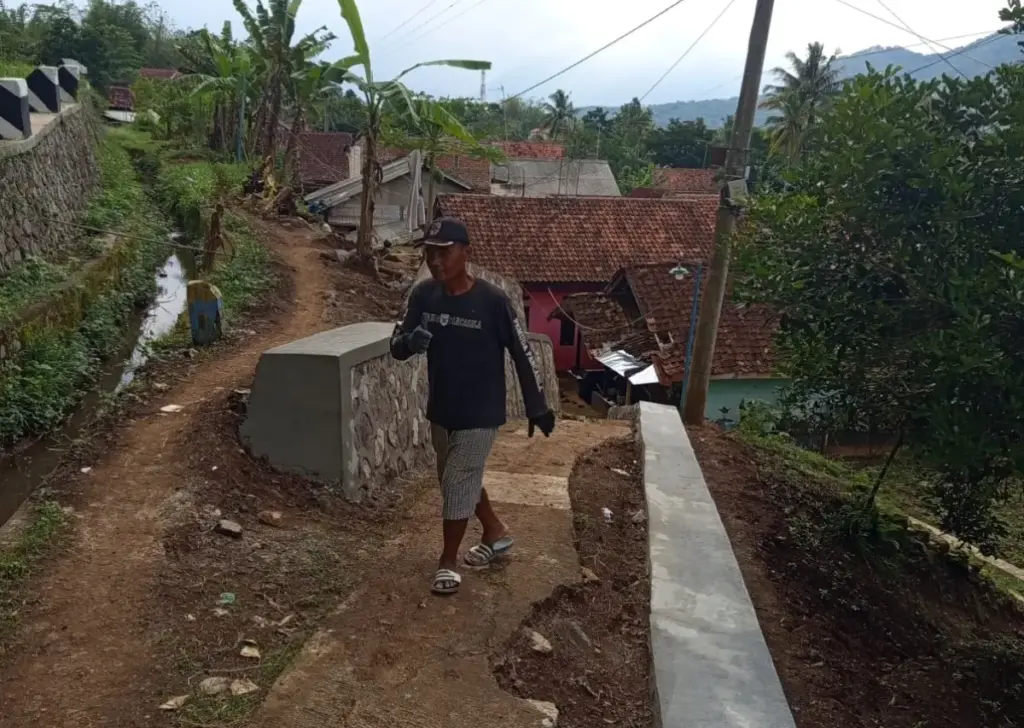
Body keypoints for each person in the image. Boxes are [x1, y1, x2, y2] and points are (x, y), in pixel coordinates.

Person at [390, 216, 556, 595]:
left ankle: (447, 562)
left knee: (457, 480)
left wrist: (537, 406)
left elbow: (522, 352)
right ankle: (495, 531)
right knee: (456, 479)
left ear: (466, 252)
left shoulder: (493, 302)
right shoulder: (422, 297)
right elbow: (397, 345)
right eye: (430, 254)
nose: (436, 262)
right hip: (442, 409)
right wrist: (409, 343)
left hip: (481, 412)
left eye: (445, 253)